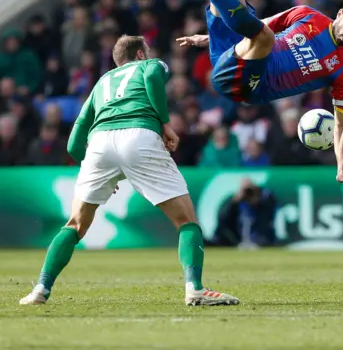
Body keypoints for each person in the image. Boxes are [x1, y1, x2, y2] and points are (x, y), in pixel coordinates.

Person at [124, 0, 343, 192]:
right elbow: (262, 24)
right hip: (234, 51)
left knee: (260, 34)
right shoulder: (307, 15)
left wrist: (342, 169)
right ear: (340, 14)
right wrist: (208, 38)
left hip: (247, 84)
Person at [20, 35, 239, 307]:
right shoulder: (150, 65)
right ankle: (195, 289)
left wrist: (96, 168)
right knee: (186, 221)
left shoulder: (101, 82)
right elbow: (152, 80)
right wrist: (166, 124)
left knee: (75, 224)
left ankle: (40, 288)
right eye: (147, 50)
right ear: (139, 55)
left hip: (99, 143)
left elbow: (75, 140)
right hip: (140, 135)